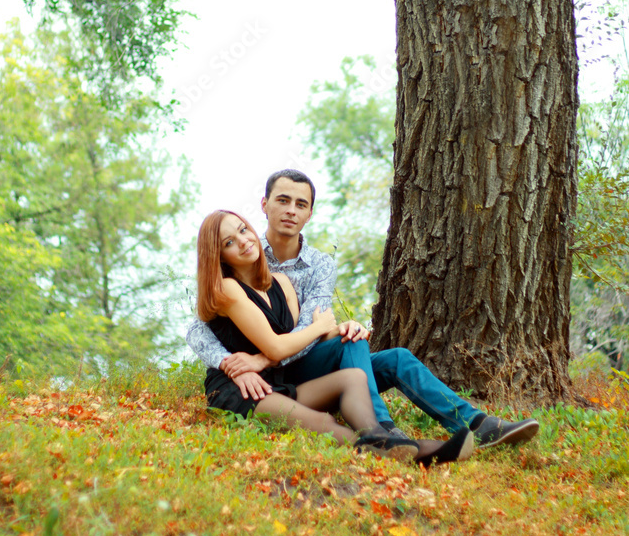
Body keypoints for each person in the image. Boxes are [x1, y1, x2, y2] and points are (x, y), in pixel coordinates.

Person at [187, 170, 539, 451]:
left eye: (300, 204)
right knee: (348, 341)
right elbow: (198, 328)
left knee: (388, 353)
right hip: (272, 374)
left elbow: (313, 325)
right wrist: (230, 364)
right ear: (264, 205)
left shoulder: (319, 266)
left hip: (299, 363)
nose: (291, 210)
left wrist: (267, 357)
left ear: (309, 213)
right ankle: (385, 431)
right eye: (283, 200)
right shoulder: (238, 257)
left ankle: (478, 424)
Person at [196, 208, 475, 467]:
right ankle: (420, 452)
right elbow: (276, 347)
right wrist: (320, 327)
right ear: (219, 257)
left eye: (243, 229)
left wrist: (340, 329)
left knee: (354, 377)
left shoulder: (281, 283)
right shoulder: (228, 288)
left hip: (281, 379)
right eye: (229, 242)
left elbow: (299, 340)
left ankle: (382, 436)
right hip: (244, 390)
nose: (243, 241)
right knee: (324, 423)